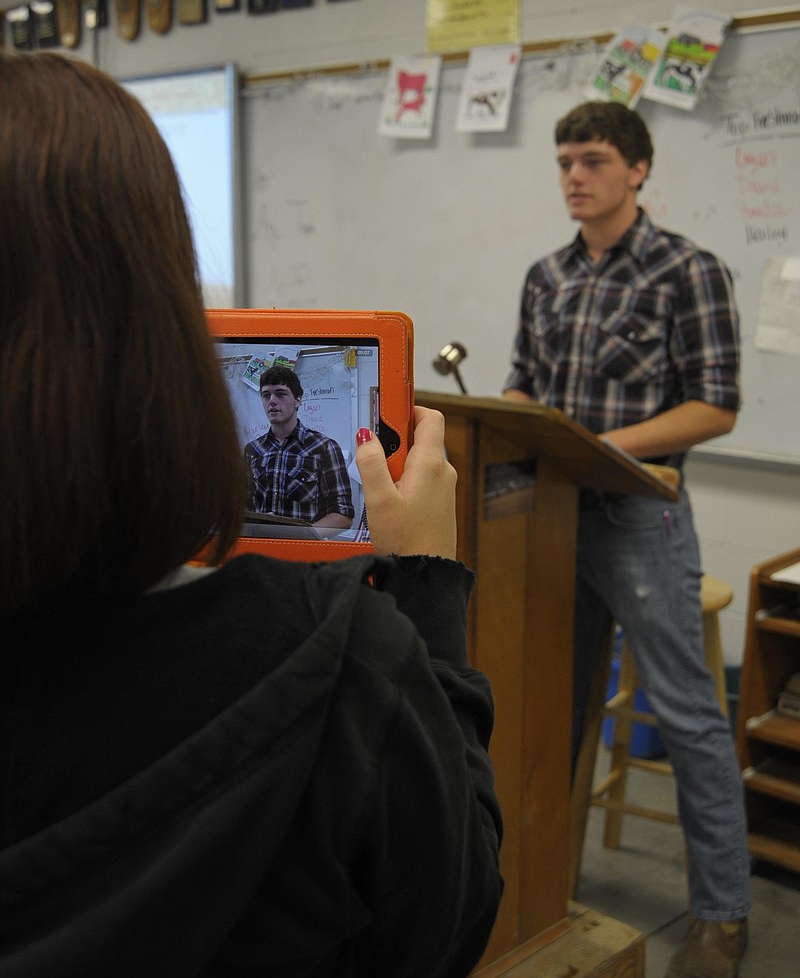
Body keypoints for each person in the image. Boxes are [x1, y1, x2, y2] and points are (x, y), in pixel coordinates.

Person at [0, 51, 503, 978]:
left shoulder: (314, 455)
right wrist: (425, 587)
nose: (272, 410)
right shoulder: (344, 667)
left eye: (281, 399)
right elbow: (447, 919)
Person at [503, 101, 750, 978]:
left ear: (638, 170)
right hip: (552, 518)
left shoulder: (689, 269)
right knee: (548, 710)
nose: (575, 174)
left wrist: (600, 448)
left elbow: (715, 404)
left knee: (688, 717)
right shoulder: (547, 276)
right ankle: (537, 888)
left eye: (595, 159)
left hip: (642, 519)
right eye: (566, 159)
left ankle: (722, 915)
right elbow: (523, 391)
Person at [244, 364, 354, 528]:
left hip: (305, 549)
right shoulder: (252, 450)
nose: (272, 401)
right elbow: (243, 507)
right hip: (261, 546)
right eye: (266, 395)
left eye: (280, 394)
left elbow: (343, 515)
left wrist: (302, 537)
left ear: (298, 400)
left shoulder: (323, 448)